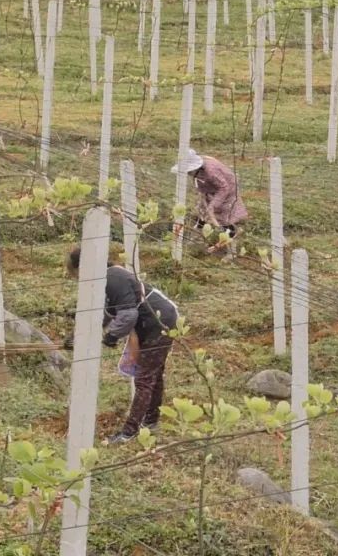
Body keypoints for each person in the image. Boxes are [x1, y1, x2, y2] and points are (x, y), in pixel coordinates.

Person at [66, 247, 179, 444]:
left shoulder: (112, 279)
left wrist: (112, 336)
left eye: (76, 273)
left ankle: (129, 432)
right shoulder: (107, 278)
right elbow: (105, 314)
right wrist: (78, 337)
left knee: (144, 379)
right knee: (153, 374)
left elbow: (128, 315)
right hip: (154, 321)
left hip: (158, 323)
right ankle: (151, 421)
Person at [171, 148, 248, 250]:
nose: (188, 173)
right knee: (202, 212)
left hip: (228, 188)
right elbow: (200, 184)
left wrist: (213, 205)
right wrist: (203, 198)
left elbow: (224, 188)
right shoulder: (198, 171)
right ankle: (198, 239)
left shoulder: (211, 171)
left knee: (225, 216)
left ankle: (231, 249)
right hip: (211, 189)